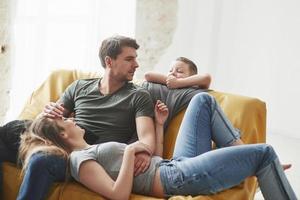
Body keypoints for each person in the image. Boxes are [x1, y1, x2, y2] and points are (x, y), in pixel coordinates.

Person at [19, 94, 297, 200]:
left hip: (170, 165)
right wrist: (129, 151)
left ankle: (244, 157)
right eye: (66, 121)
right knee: (265, 152)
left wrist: (160, 124)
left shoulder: (93, 147)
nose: (72, 119)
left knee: (203, 101)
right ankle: (261, 166)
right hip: (175, 178)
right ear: (63, 135)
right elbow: (117, 195)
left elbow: (152, 159)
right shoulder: (79, 161)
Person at [0, 35, 156, 200]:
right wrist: (46, 113)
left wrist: (144, 152)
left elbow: (147, 138)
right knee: (8, 132)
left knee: (41, 161)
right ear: (109, 61)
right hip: (59, 138)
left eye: (135, 59)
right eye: (129, 59)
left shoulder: (138, 96)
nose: (136, 65)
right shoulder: (80, 87)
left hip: (85, 154)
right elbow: (48, 124)